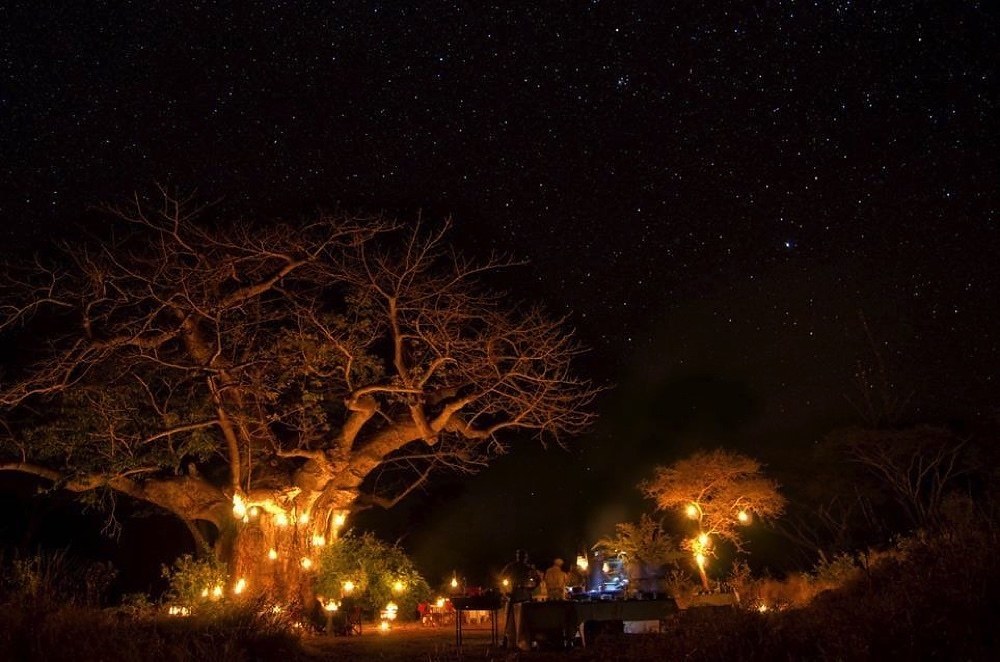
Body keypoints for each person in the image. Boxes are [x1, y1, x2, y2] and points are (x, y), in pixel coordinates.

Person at [501, 549, 536, 647]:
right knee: (512, 618)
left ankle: (521, 640)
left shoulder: (526, 568)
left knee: (523, 618)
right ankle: (510, 639)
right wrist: (506, 590)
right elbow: (502, 578)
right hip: (517, 594)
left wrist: (531, 586)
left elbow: (537, 580)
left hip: (521, 594)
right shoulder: (513, 567)